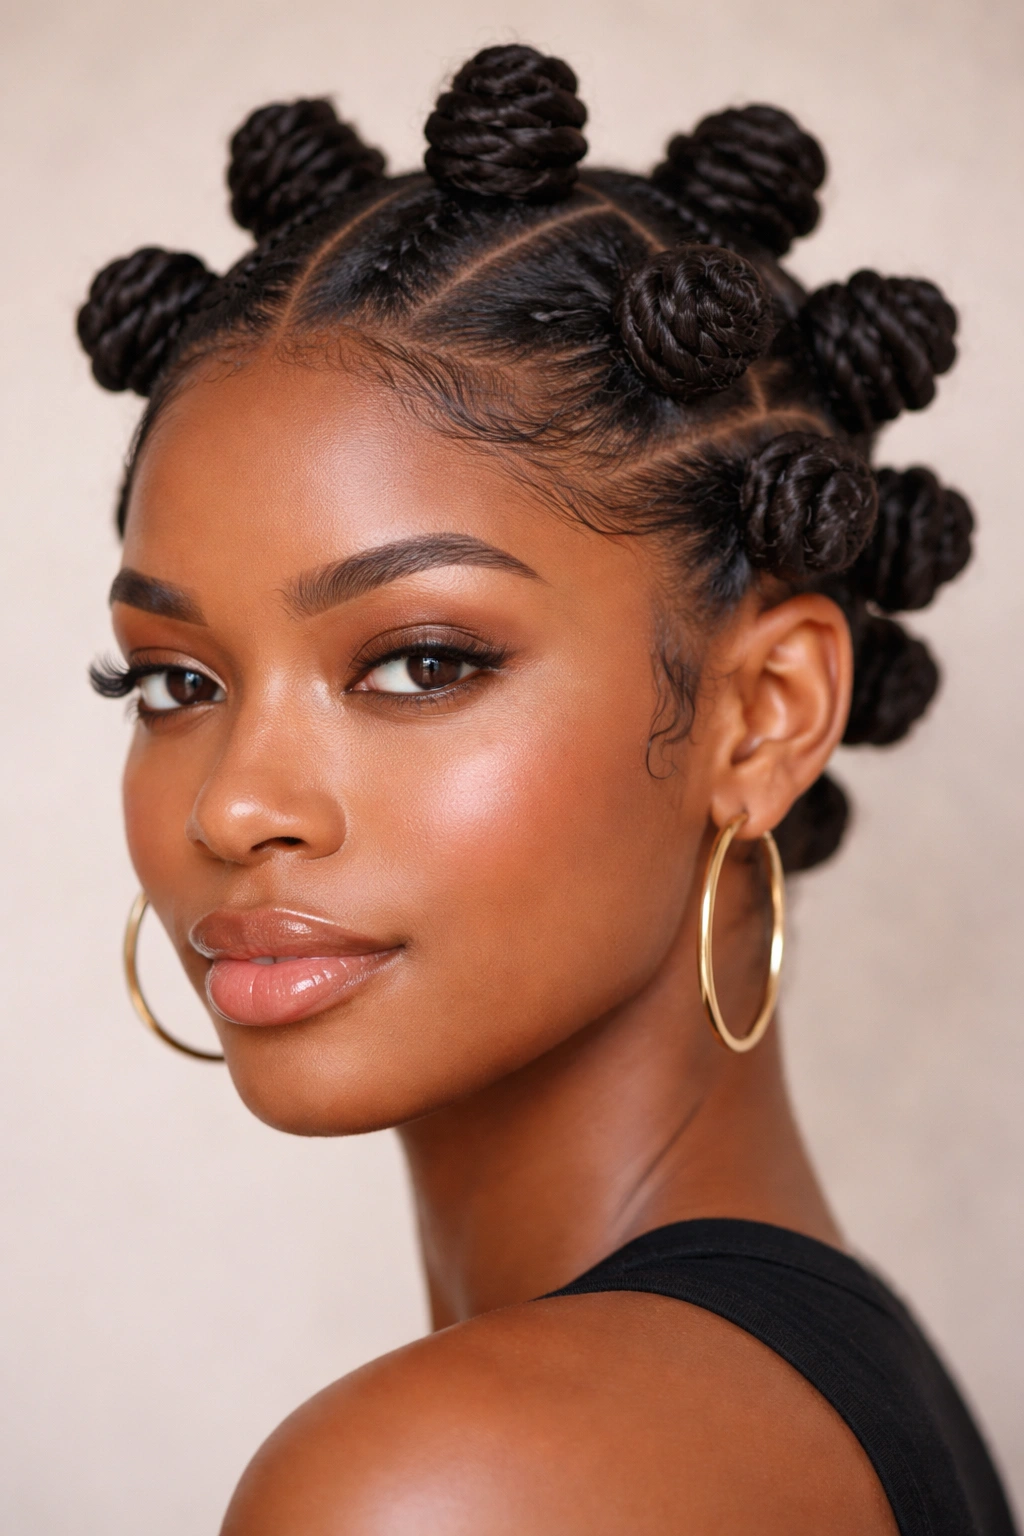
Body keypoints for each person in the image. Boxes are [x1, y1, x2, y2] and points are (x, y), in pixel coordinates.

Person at [78, 43, 1016, 1535]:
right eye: (176, 682)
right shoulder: (849, 1398)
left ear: (763, 718)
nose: (232, 807)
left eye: (421, 661)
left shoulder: (449, 1486)